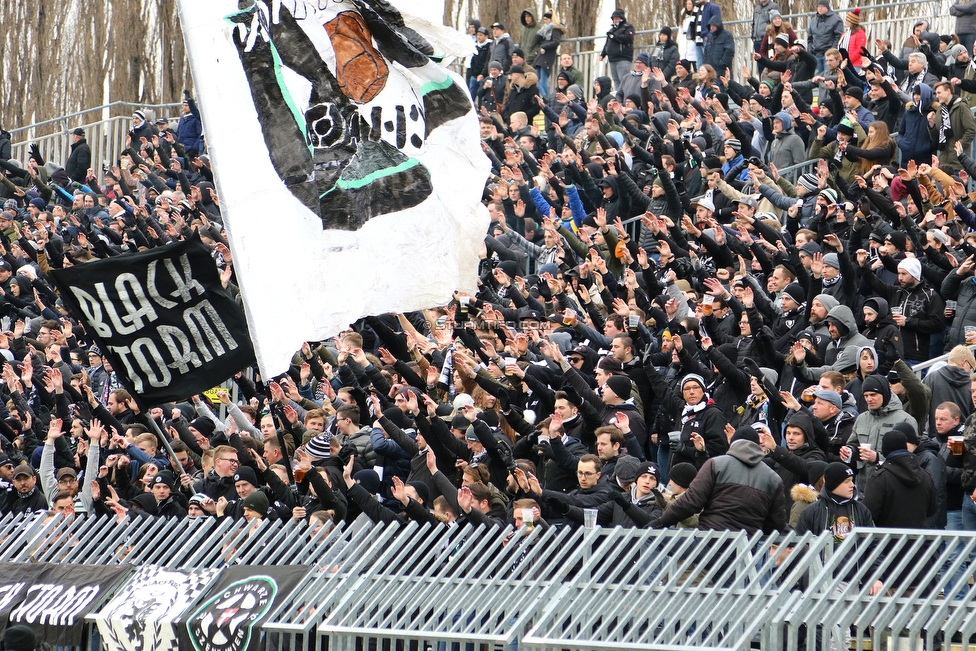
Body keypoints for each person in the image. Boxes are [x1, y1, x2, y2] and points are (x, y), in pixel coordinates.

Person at [653, 426, 787, 534]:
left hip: (709, 545)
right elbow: (776, 524)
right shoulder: (774, 479)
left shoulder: (715, 464)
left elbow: (691, 502)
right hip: (745, 554)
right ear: (758, 445)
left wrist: (661, 522)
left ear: (733, 443)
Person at [599, 9, 635, 88]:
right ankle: (618, 98)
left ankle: (625, 97)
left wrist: (615, 36)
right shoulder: (611, 30)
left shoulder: (627, 27)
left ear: (621, 18)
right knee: (616, 80)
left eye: (617, 18)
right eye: (614, 18)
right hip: (612, 59)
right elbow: (607, 43)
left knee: (624, 79)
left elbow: (628, 38)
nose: (615, 20)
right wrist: (603, 54)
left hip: (623, 57)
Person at [808, 0, 845, 74]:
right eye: (818, 7)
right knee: (817, 78)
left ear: (827, 7)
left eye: (822, 6)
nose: (820, 8)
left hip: (829, 54)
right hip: (816, 54)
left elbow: (838, 37)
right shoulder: (813, 21)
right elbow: (810, 38)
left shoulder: (836, 20)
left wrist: (832, 50)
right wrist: (810, 49)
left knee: (829, 77)